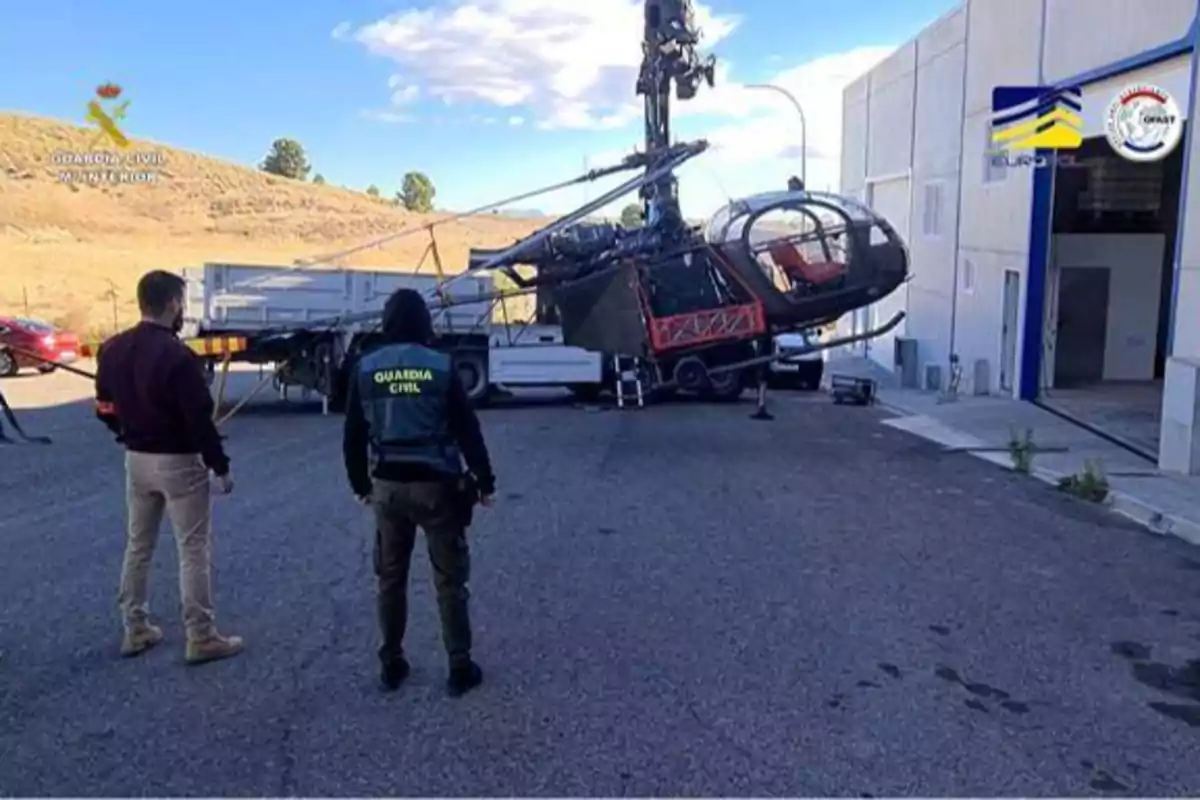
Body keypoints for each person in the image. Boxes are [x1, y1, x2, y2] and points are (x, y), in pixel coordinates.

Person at [342, 288, 496, 696]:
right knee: (449, 580)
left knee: (390, 578)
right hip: (438, 488)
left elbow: (353, 435)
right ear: (423, 322)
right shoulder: (441, 367)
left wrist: (360, 485)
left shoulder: (366, 368)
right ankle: (459, 666)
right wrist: (484, 480)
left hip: (389, 487)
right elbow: (467, 429)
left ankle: (391, 662)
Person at [94, 270, 243, 665]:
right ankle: (201, 635)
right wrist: (220, 466)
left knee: (138, 545)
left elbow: (104, 408)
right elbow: (199, 419)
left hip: (136, 460)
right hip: (178, 462)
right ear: (173, 303)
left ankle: (135, 627)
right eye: (182, 301)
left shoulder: (111, 349)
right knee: (192, 548)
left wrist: (126, 429)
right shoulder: (179, 357)